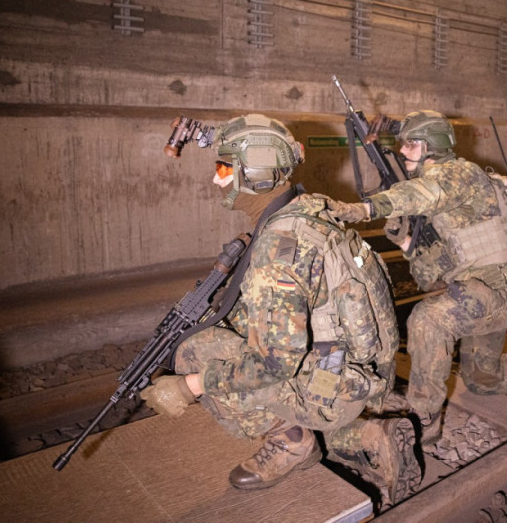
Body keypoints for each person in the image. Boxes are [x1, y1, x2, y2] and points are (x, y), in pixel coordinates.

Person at [139, 114, 421, 506]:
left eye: (223, 167)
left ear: (253, 174)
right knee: (227, 338)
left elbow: (276, 364)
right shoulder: (311, 210)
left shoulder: (280, 248)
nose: (216, 178)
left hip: (332, 386)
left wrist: (189, 387)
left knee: (193, 352)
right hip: (359, 370)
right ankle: (370, 435)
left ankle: (290, 442)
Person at [321, 110, 507, 445]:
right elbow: (429, 277)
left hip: (503, 289)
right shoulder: (451, 205)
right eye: (403, 144)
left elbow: (425, 194)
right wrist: (406, 242)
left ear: (432, 147)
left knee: (427, 320)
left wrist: (366, 209)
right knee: (482, 379)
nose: (403, 151)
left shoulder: (461, 174)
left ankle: (425, 416)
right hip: (484, 290)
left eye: (412, 144)